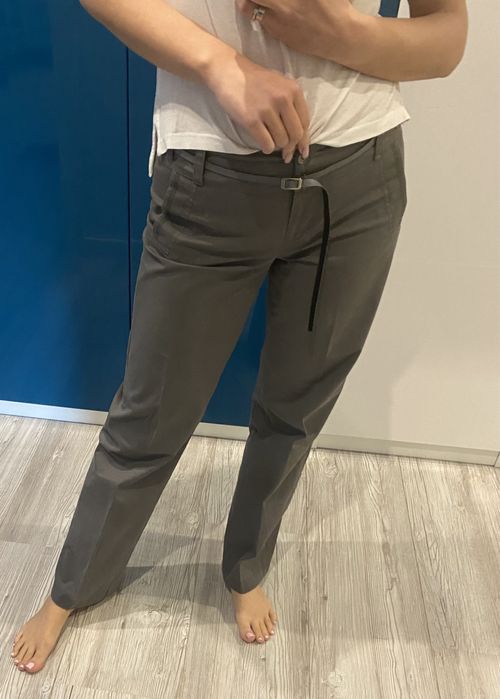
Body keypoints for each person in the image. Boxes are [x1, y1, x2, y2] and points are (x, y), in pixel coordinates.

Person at [10, 0, 411, 674]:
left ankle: (245, 567)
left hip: (360, 177)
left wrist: (347, 34)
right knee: (150, 413)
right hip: (213, 167)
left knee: (295, 408)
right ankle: (74, 584)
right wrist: (219, 62)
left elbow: (445, 39)